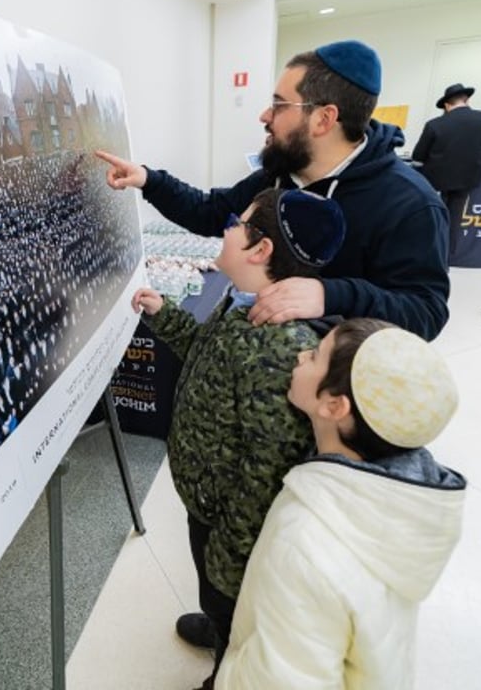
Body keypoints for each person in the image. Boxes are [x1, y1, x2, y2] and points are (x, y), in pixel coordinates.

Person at [133, 187, 346, 686]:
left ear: (260, 249)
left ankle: (226, 669)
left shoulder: (281, 347)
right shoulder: (244, 302)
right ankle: (218, 619)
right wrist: (165, 314)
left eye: (236, 220)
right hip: (207, 498)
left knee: (236, 606)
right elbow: (207, 350)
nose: (225, 227)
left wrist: (230, 558)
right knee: (214, 592)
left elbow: (266, 472)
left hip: (231, 524)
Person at [97, 40, 449, 340]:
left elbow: (425, 312)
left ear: (324, 119)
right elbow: (212, 212)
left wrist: (331, 294)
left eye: (280, 104)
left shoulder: (410, 203)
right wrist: (148, 179)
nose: (264, 115)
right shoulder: (280, 173)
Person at [215, 319, 466, 690]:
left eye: (315, 355)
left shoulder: (305, 543)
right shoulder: (404, 503)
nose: (300, 355)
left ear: (335, 405)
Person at [412, 82, 481, 259]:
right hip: (468, 177)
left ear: (446, 104)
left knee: (435, 214)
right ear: (466, 100)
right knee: (455, 216)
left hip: (436, 180)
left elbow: (418, 156)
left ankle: (429, 255)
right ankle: (446, 258)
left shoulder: (434, 124)